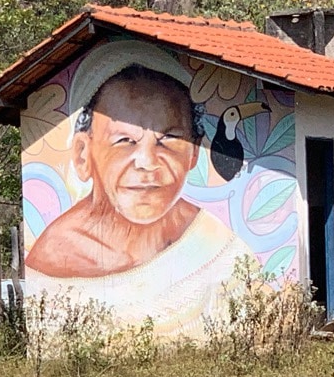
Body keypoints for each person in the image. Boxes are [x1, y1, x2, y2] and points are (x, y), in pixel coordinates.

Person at [24, 40, 254, 339]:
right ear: (83, 154)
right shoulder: (52, 266)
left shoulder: (217, 248)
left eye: (168, 139)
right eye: (125, 141)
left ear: (193, 153)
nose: (146, 163)